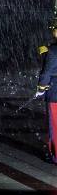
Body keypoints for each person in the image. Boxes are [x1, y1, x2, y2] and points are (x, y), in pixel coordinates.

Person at [36, 16, 57, 164]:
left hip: (55, 93)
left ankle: (54, 155)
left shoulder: (53, 50)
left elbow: (46, 72)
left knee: (55, 127)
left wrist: (41, 88)